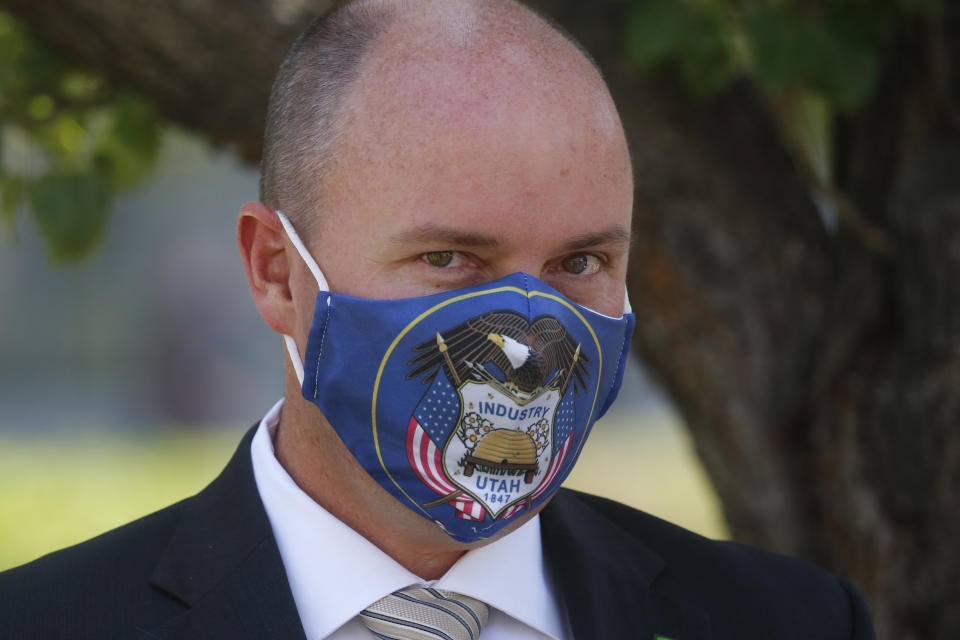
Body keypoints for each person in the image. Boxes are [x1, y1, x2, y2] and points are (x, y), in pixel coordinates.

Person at [0, 0, 875, 638]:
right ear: (276, 274)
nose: (531, 340)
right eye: (451, 259)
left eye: (579, 264)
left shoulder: (788, 621)